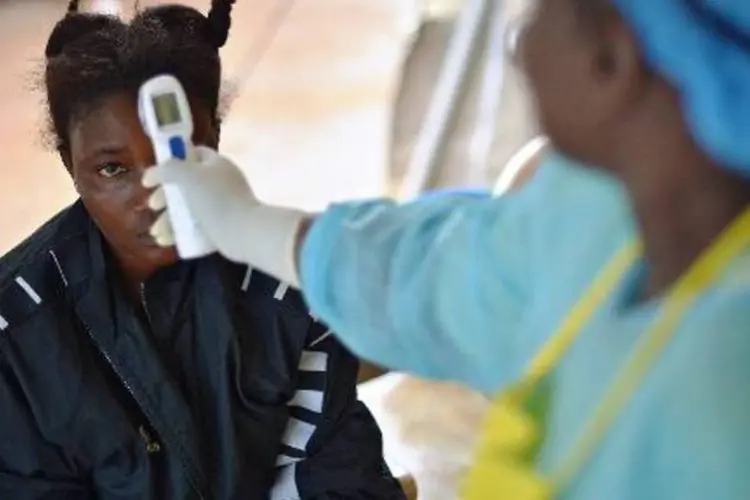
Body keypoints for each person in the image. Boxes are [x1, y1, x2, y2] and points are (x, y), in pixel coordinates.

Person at [144, 0, 750, 498]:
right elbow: (450, 272)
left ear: (610, 62)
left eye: (541, 10)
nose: (516, 40)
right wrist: (255, 227)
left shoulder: (718, 403)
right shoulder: (604, 208)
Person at [0, 1, 406, 499]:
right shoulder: (14, 331)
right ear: (70, 164)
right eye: (113, 169)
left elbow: (340, 478)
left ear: (214, 134)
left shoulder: (290, 290)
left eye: (180, 154)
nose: (156, 195)